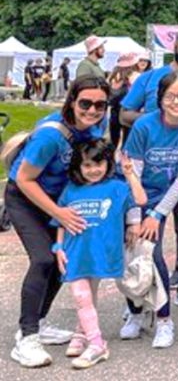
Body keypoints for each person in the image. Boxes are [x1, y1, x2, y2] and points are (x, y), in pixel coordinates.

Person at [7, 76, 110, 368]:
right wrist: (59, 213)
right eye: (85, 103)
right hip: (25, 197)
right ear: (72, 101)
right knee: (43, 259)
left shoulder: (97, 125)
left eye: (100, 105)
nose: (92, 110)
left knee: (61, 260)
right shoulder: (50, 136)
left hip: (57, 200)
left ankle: (38, 322)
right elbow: (25, 180)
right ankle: (26, 338)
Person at [119, 29, 178, 312]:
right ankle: (139, 290)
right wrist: (159, 122)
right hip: (150, 171)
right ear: (175, 44)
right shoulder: (150, 77)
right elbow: (124, 113)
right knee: (144, 239)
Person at [52, 139, 147, 368]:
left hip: (100, 250)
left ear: (107, 164)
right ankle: (97, 344)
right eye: (87, 165)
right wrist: (58, 247)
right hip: (75, 250)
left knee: (89, 293)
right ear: (78, 166)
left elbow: (141, 200)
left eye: (98, 164)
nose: (93, 170)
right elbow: (61, 221)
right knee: (81, 295)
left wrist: (130, 174)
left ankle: (82, 332)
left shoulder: (116, 187)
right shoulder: (70, 190)